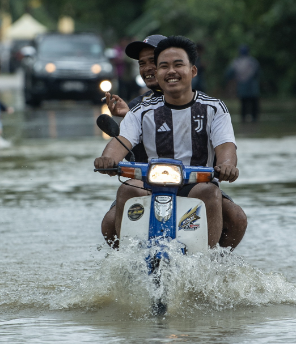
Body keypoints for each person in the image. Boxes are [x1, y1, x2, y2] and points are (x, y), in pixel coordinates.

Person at [100, 35, 248, 250]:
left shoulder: (214, 108)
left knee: (232, 213)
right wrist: (107, 160)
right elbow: (121, 142)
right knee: (120, 202)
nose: (170, 72)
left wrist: (227, 166)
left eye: (178, 65)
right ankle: (128, 264)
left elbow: (226, 146)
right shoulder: (139, 110)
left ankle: (209, 265)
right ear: (158, 74)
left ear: (193, 71)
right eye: (163, 66)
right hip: (148, 183)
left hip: (196, 184)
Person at [224, 44, 261, 123]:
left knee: (243, 108)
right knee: (254, 109)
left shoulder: (235, 63)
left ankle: (244, 123)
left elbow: (228, 74)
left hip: (242, 89)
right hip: (253, 89)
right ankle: (255, 124)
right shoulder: (253, 62)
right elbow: (258, 74)